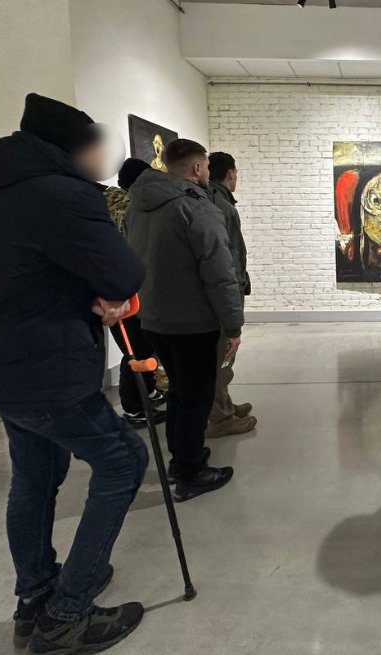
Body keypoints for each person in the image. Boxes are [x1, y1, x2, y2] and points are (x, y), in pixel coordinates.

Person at [0, 93, 148, 654]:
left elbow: (35, 274)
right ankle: (67, 613)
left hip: (2, 365)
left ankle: (37, 593)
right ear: (72, 149)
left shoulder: (2, 191)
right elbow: (123, 271)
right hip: (47, 368)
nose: (102, 156)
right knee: (123, 460)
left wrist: (93, 291)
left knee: (35, 477)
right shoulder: (62, 194)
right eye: (95, 145)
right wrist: (110, 291)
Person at [126, 138, 242, 502]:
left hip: (152, 317)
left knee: (179, 390)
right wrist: (233, 326)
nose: (207, 171)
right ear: (196, 167)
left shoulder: (139, 204)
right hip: (192, 321)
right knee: (196, 397)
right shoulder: (196, 208)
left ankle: (181, 460)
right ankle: (191, 473)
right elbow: (220, 274)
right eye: (205, 165)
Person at [104, 157, 167, 426]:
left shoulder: (102, 205)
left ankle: (148, 394)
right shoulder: (133, 207)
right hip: (129, 290)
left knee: (139, 347)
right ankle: (133, 409)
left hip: (113, 289)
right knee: (138, 350)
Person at [205, 151, 257, 438]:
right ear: (230, 173)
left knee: (218, 353)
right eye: (236, 173)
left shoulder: (203, 199)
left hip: (211, 292)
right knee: (224, 352)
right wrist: (235, 294)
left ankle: (222, 405)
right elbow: (231, 257)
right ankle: (221, 418)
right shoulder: (223, 206)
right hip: (225, 292)